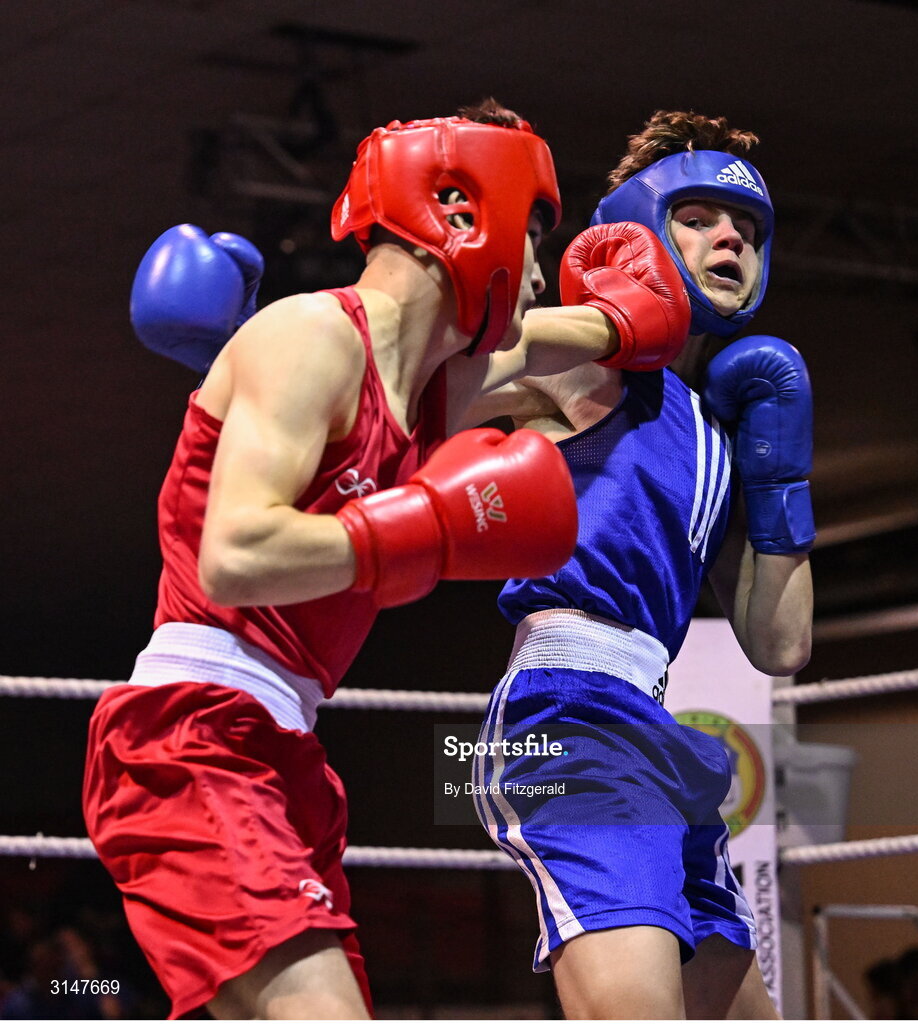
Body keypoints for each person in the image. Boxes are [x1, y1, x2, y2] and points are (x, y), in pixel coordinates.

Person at [83, 100, 689, 1020]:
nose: (534, 271)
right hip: (193, 734)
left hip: (286, 748)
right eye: (529, 238)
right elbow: (236, 553)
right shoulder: (309, 337)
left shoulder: (428, 387)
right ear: (457, 213)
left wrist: (628, 320)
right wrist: (422, 529)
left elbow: (556, 345)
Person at [471, 110, 815, 1019]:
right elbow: (451, 362)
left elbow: (781, 646)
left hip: (657, 735)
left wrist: (780, 478)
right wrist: (598, 320)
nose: (731, 236)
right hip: (568, 717)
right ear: (640, 227)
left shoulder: (715, 430)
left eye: (746, 226)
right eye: (699, 216)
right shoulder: (588, 374)